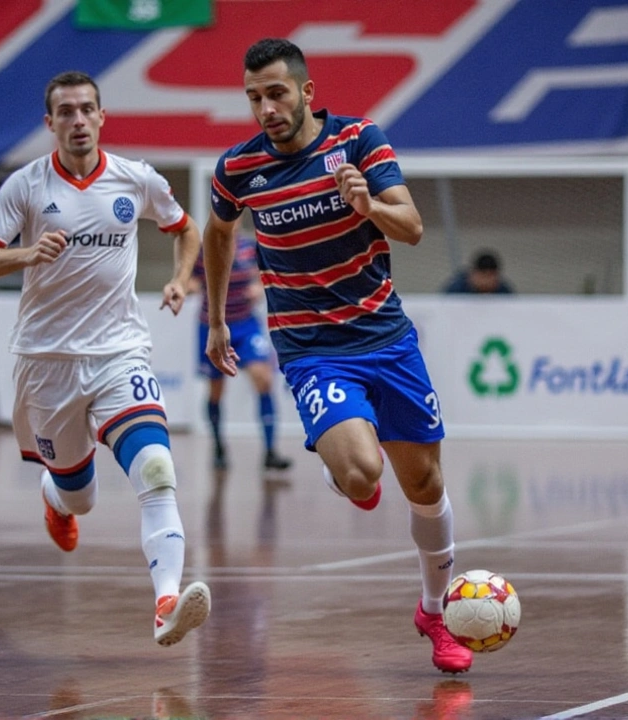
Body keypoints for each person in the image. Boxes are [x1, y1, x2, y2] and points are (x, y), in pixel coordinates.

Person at [202, 38, 473, 674]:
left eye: (276, 93)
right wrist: (216, 318)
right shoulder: (238, 169)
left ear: (306, 92)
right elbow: (218, 231)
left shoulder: (358, 141)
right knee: (360, 476)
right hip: (311, 348)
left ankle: (434, 611)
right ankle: (338, 450)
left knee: (425, 484)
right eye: (254, 97)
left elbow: (410, 228)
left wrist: (367, 204)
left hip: (385, 336)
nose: (266, 108)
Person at [0, 70, 209, 647]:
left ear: (102, 117)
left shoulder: (135, 179)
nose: (77, 120)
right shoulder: (25, 187)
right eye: (65, 112)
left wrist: (178, 279)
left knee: (155, 470)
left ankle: (166, 601)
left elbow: (185, 227)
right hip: (46, 363)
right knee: (82, 495)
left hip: (120, 351)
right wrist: (25, 254)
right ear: (50, 123)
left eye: (86, 110)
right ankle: (57, 496)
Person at [186, 233, 292, 472]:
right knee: (216, 390)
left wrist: (258, 286)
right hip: (212, 326)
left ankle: (270, 451)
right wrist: (185, 288)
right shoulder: (206, 248)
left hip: (245, 324)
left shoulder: (250, 247)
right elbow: (192, 279)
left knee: (263, 378)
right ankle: (218, 446)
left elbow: (264, 275)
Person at [443, 249, 514, 294]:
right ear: (473, 274)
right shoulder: (457, 290)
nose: (486, 282)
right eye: (483, 276)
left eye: (490, 276)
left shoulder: (504, 291)